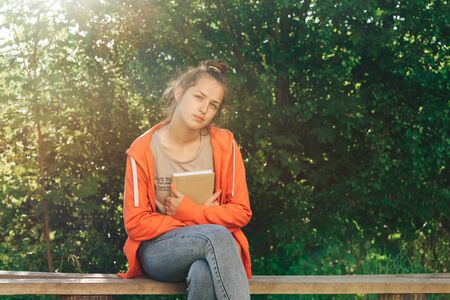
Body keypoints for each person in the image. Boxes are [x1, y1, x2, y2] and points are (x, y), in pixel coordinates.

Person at [117, 59, 252, 300]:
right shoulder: (142, 150)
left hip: (210, 248)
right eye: (199, 97)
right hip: (158, 250)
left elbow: (241, 211)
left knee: (203, 273)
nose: (204, 109)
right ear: (180, 93)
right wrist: (193, 218)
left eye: (213, 105)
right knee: (218, 236)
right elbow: (135, 223)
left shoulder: (224, 145)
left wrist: (192, 212)